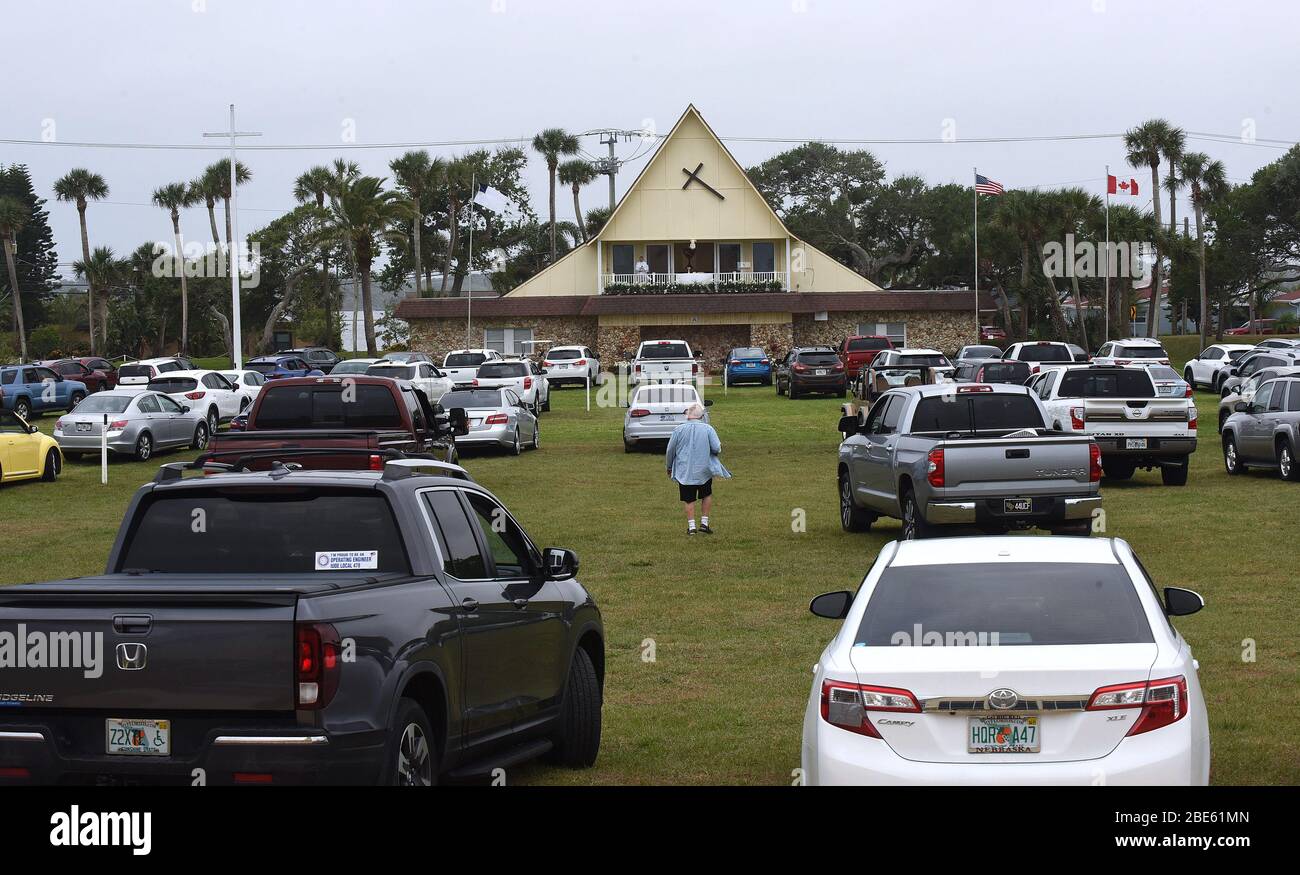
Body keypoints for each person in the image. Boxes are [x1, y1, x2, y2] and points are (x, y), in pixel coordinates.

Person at [665, 403, 731, 535]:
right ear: (701, 416)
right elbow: (717, 448)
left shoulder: (679, 430)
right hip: (704, 469)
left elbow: (670, 450)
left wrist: (669, 466)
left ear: (688, 415)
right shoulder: (708, 429)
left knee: (688, 498)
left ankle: (691, 527)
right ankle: (704, 523)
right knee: (706, 494)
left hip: (685, 470)